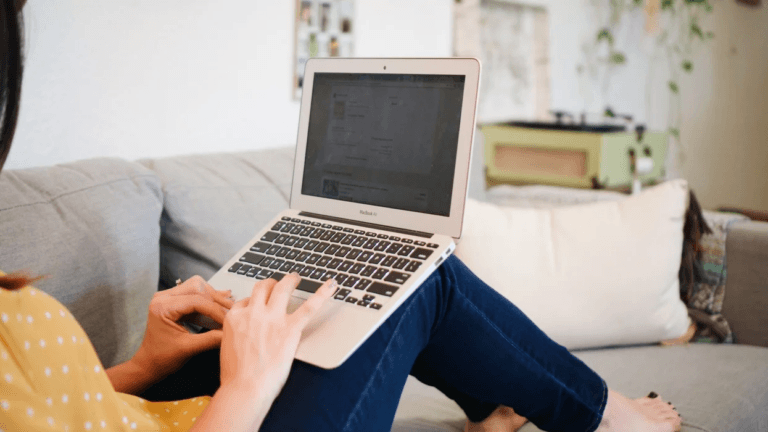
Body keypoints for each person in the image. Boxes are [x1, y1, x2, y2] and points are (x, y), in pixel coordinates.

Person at [0, 1, 682, 431]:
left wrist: (143, 365)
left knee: (344, 291)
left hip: (162, 410)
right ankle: (605, 415)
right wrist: (244, 387)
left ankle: (492, 409)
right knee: (421, 276)